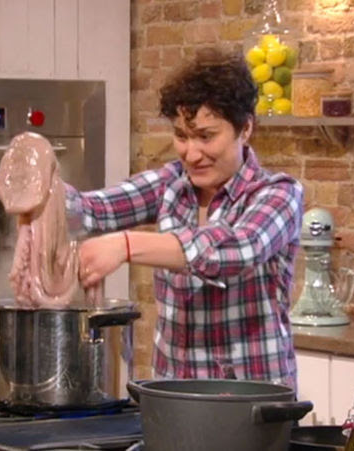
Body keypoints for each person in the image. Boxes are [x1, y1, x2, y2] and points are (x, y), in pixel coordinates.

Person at [65, 50, 303, 389]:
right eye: (181, 136)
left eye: (206, 136)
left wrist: (126, 245)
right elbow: (91, 210)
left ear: (245, 128)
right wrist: (42, 187)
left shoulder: (278, 194)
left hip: (249, 402)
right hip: (172, 395)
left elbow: (235, 250)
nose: (191, 153)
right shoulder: (171, 184)